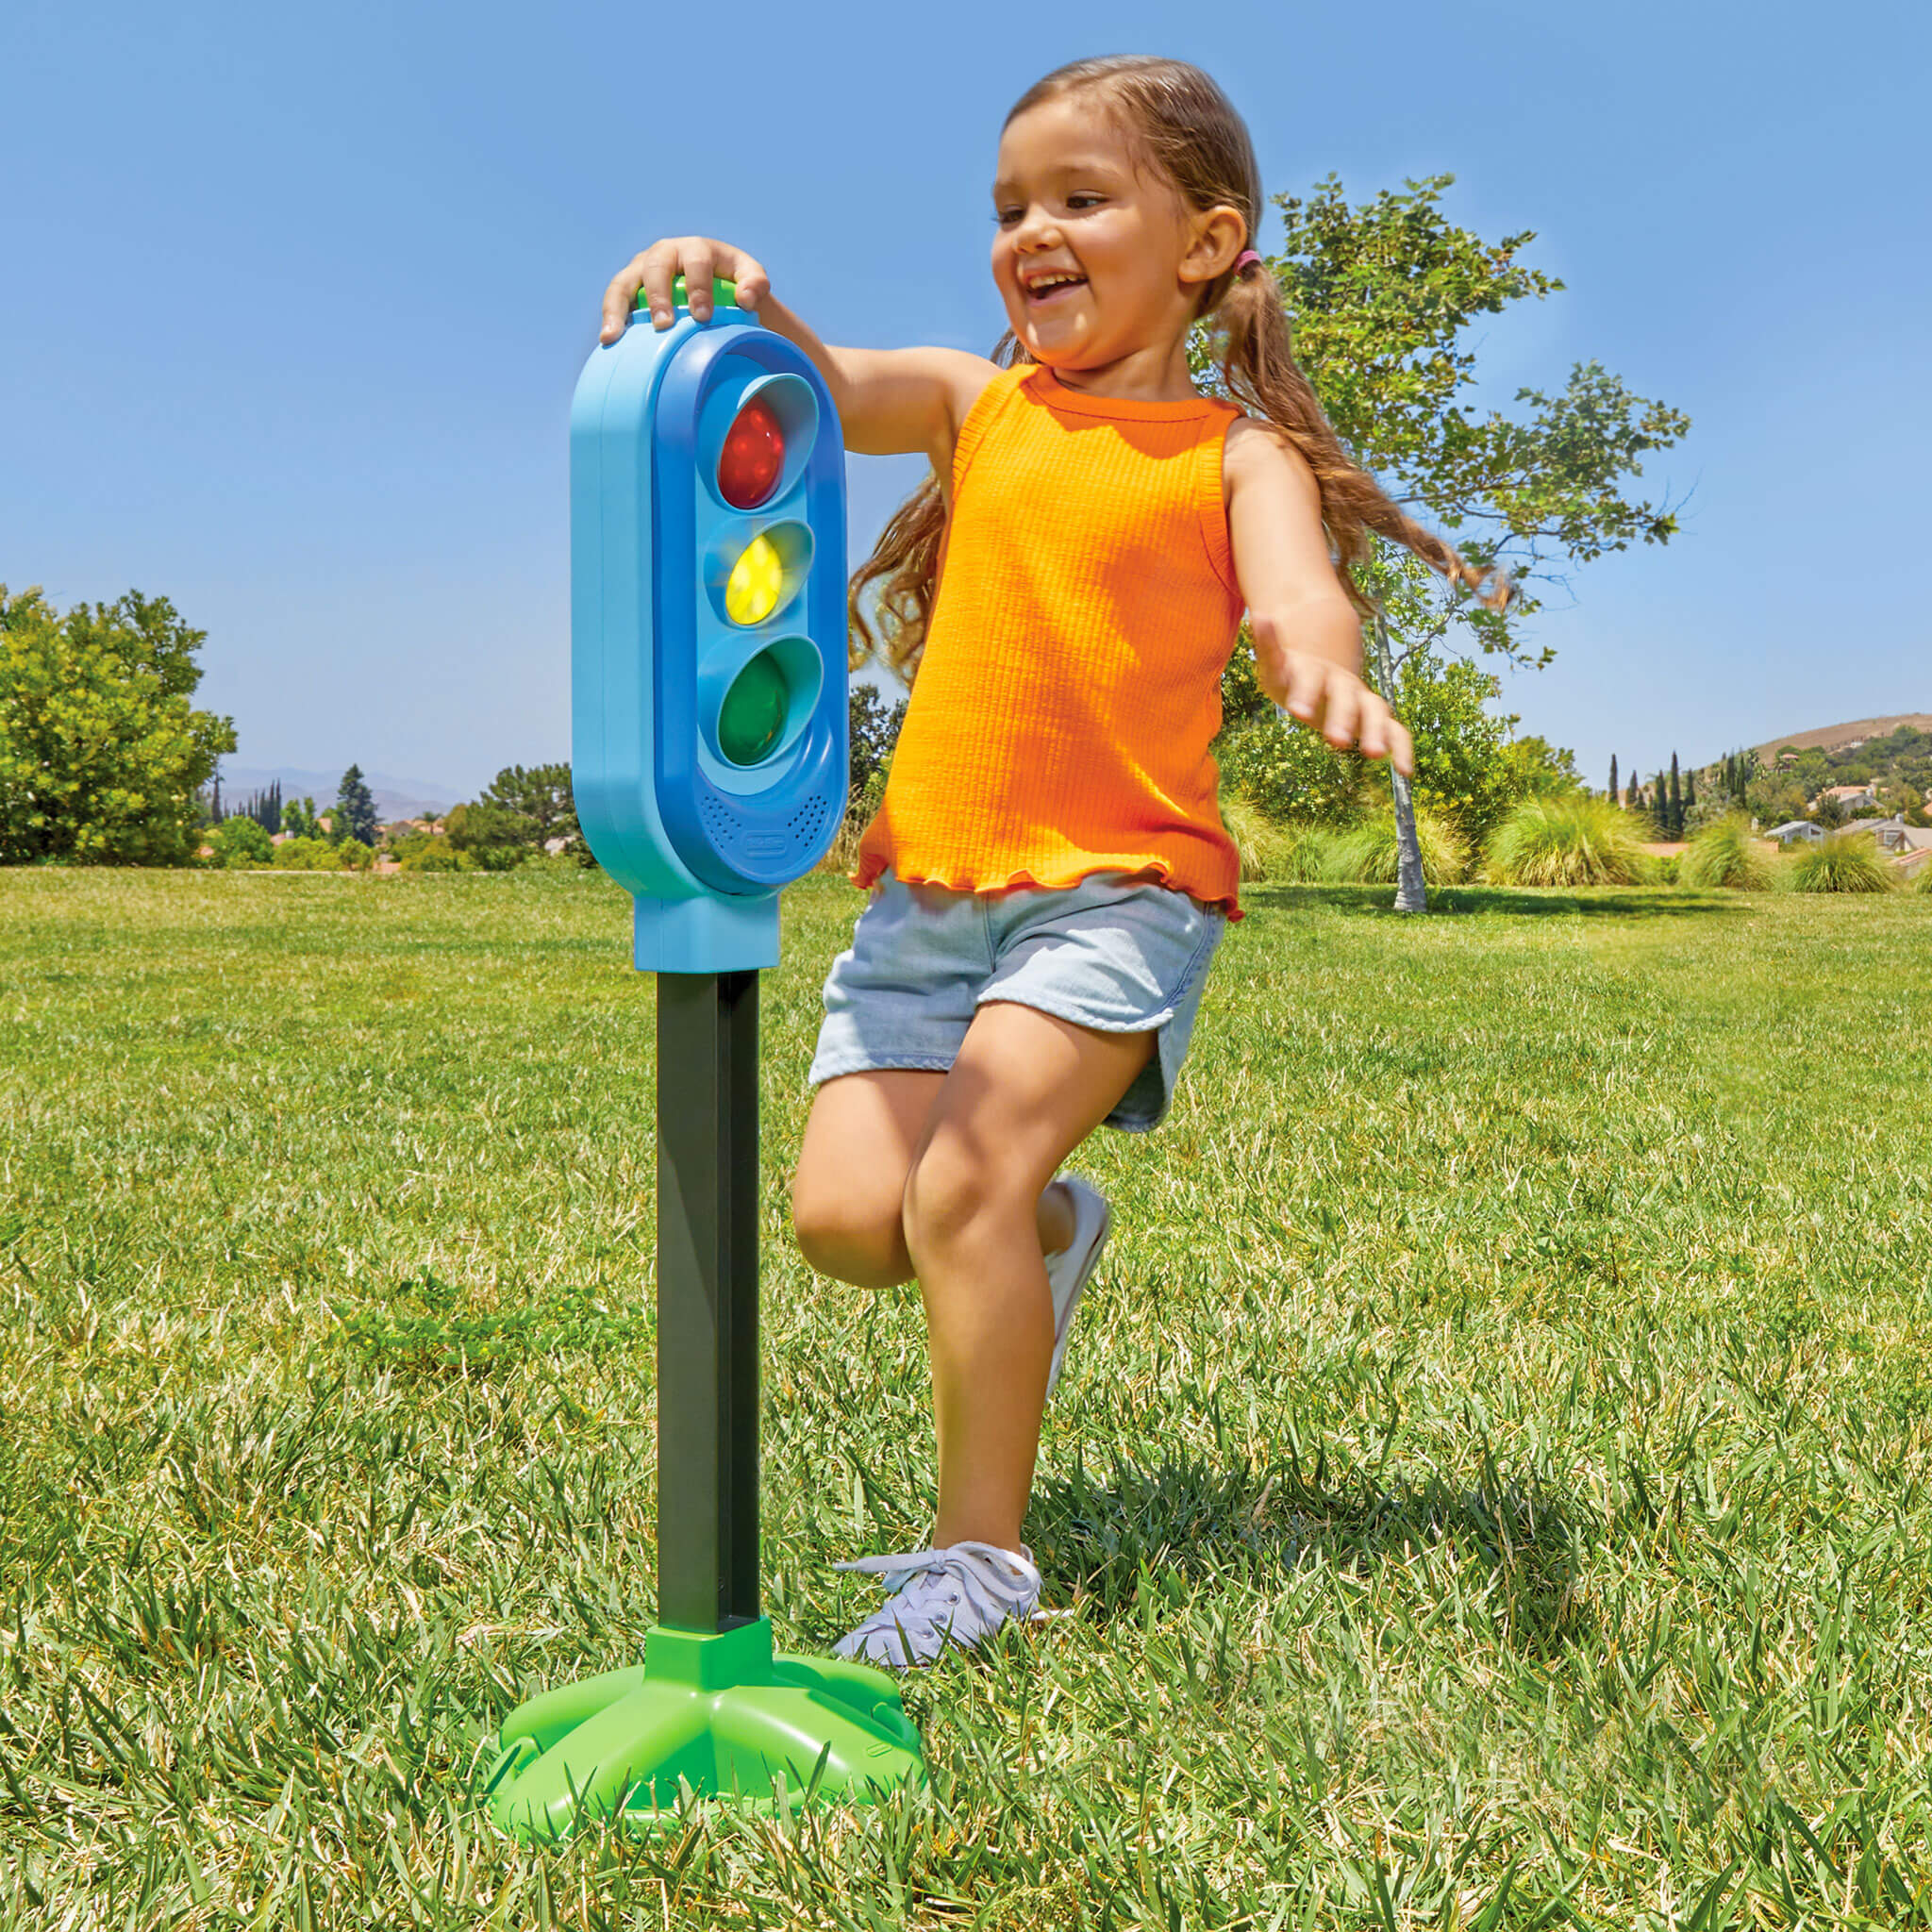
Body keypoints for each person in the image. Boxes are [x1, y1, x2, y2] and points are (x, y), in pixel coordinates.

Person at [599, 55, 1501, 1669]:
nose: (1032, 232)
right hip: (928, 898)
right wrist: (738, 293)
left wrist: (1317, 660)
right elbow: (825, 386)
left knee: (964, 1184)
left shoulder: (1234, 457)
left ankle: (980, 1562)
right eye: (1011, 206)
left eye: (1081, 198)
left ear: (1206, 243)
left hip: (1121, 889)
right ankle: (1048, 1237)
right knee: (850, 1224)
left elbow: (1300, 589)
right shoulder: (977, 404)